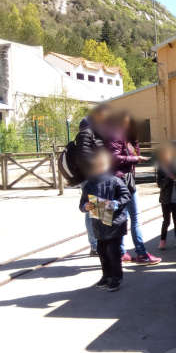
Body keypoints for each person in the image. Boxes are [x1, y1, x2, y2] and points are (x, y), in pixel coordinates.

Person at [108, 111, 161, 266]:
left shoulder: (128, 138)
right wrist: (135, 158)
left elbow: (135, 155)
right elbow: (114, 158)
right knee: (132, 218)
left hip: (128, 181)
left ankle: (123, 252)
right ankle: (141, 253)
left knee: (126, 218)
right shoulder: (116, 136)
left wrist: (134, 143)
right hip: (120, 182)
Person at [79, 150, 131, 292]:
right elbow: (82, 204)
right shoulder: (89, 184)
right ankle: (106, 275)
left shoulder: (115, 181)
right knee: (102, 251)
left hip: (115, 223)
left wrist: (116, 203)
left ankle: (116, 277)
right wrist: (85, 206)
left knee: (113, 252)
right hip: (99, 224)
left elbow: (126, 196)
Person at [74, 104, 111, 256]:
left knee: (98, 210)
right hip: (91, 177)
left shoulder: (92, 133)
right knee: (94, 210)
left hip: (94, 176)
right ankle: (96, 245)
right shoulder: (86, 133)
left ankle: (100, 243)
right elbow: (85, 157)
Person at [156, 142, 176, 249]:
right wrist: (168, 178)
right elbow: (159, 184)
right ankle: (162, 241)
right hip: (165, 198)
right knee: (166, 221)